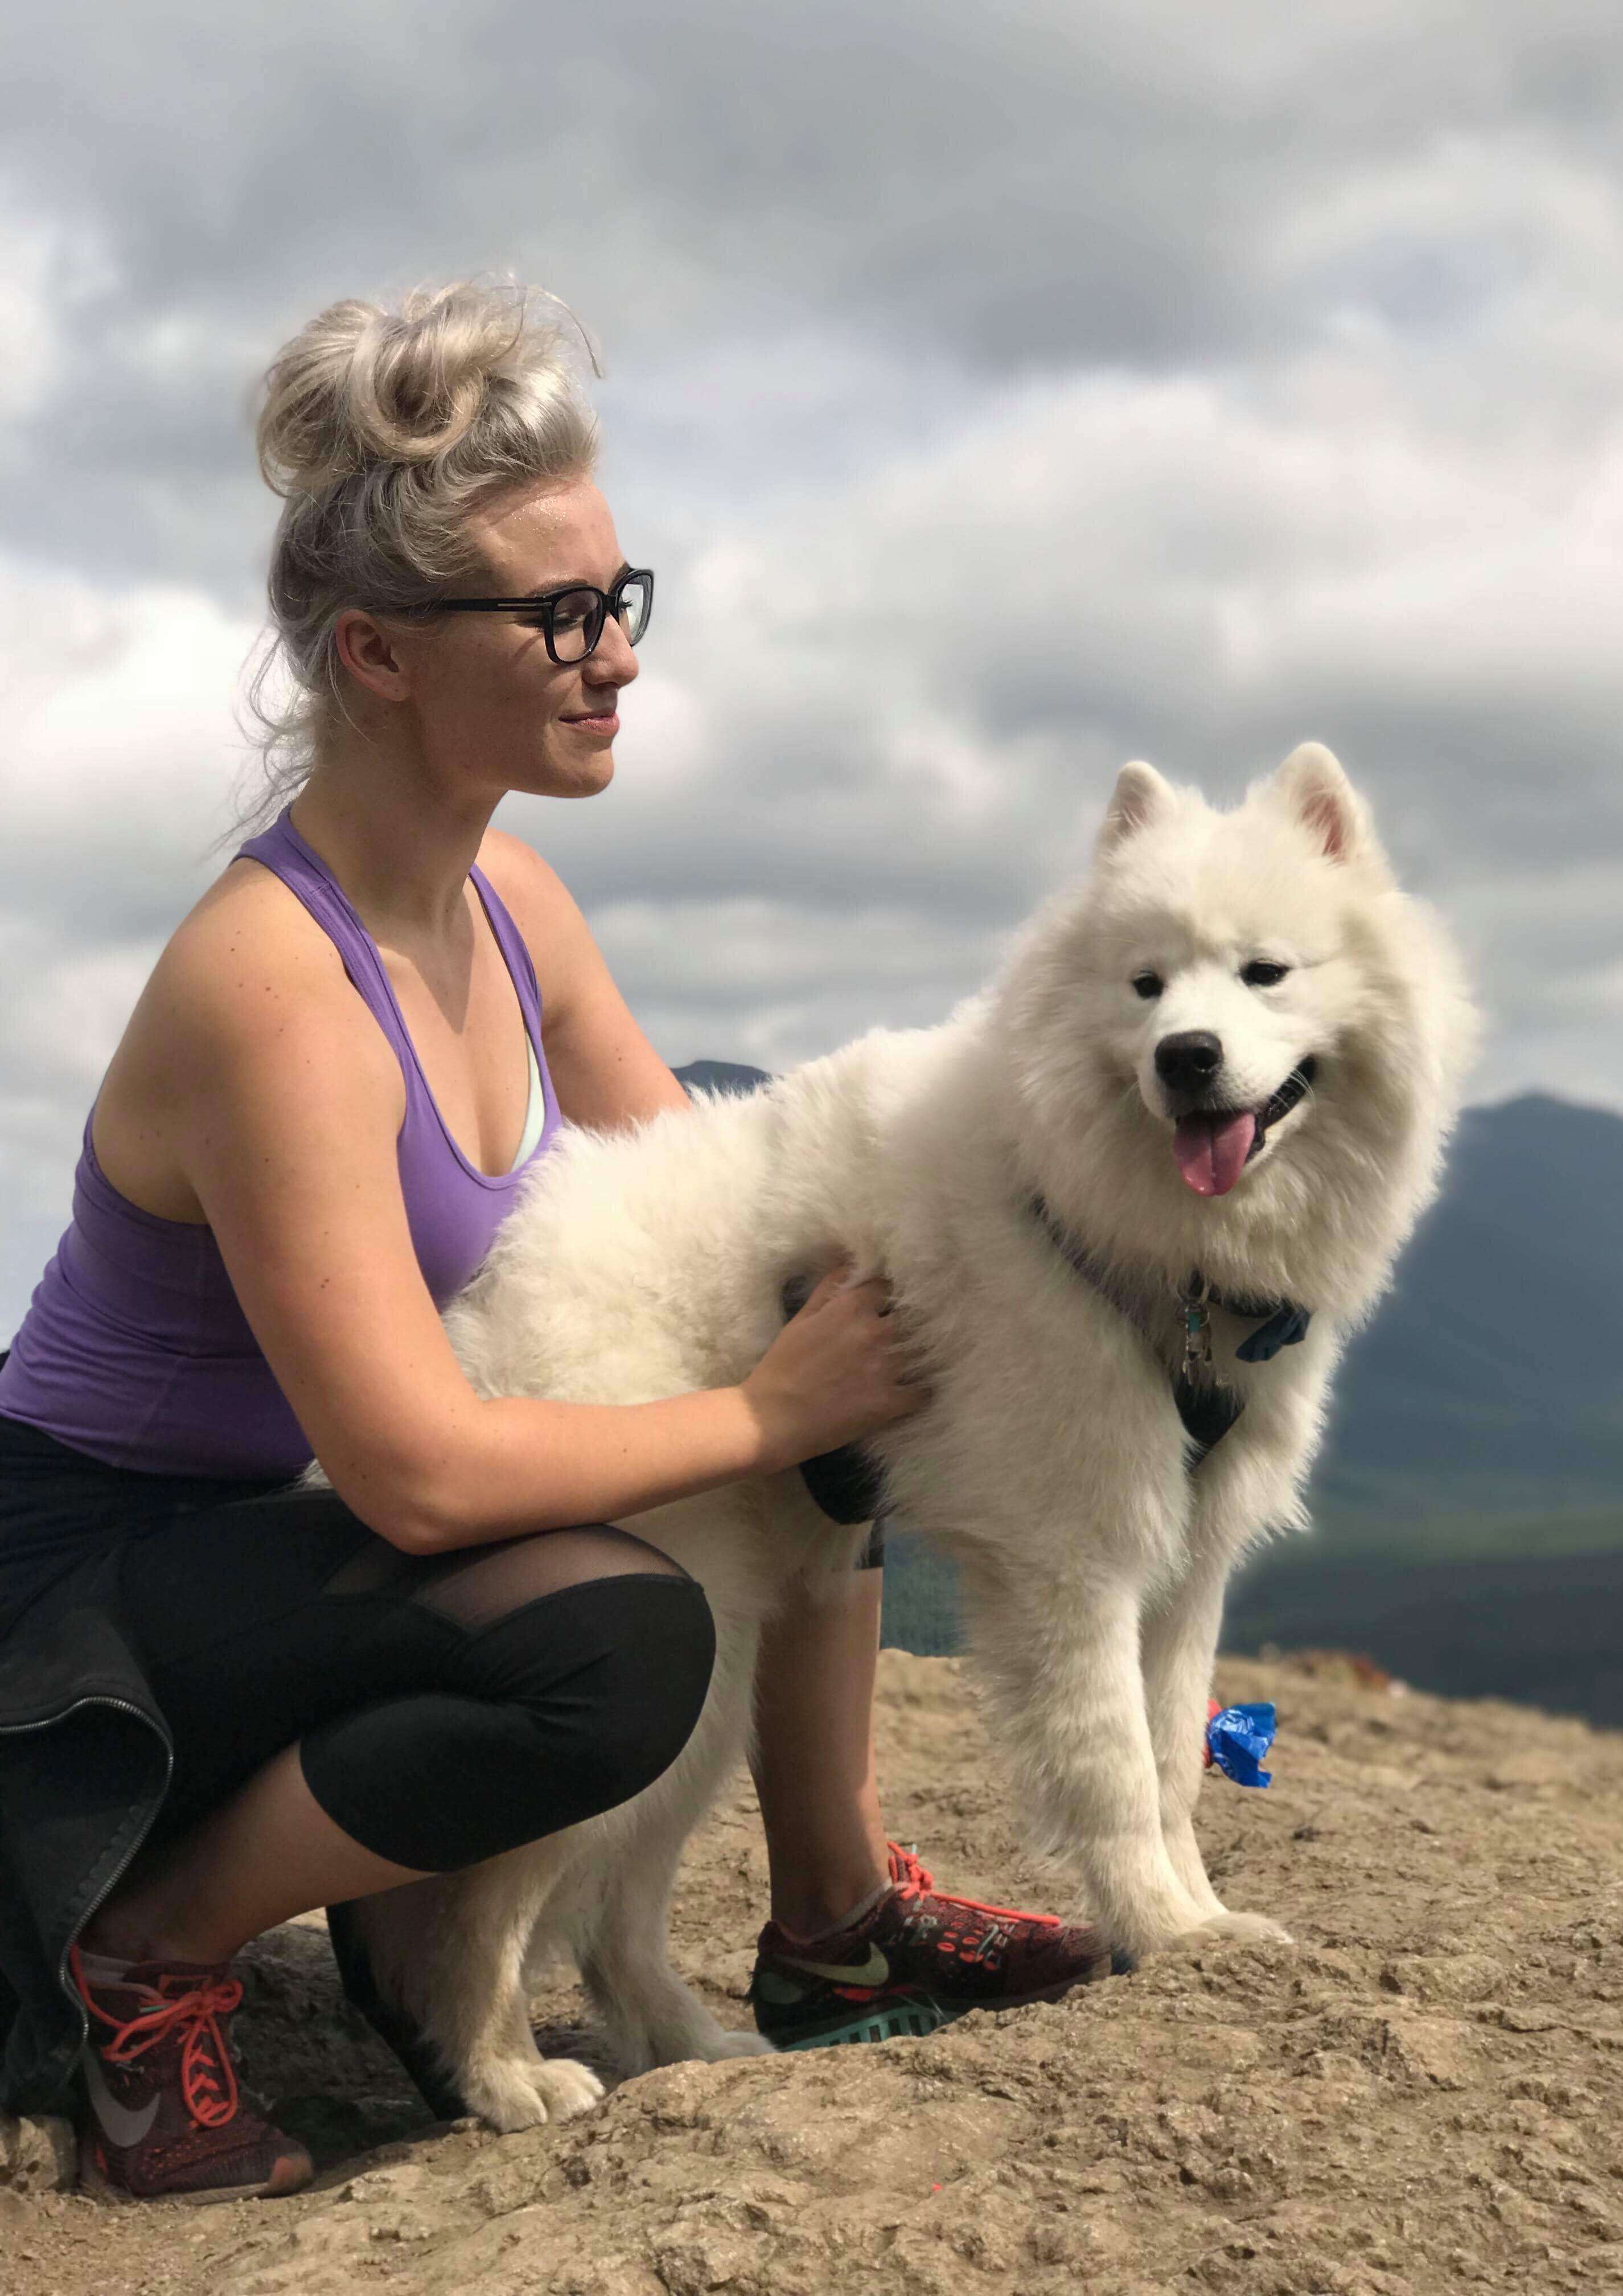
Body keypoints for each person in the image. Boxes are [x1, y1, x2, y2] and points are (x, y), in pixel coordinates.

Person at [0, 281, 1106, 2207]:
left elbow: (730, 1198)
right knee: (612, 1639)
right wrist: (771, 1413)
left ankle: (830, 1915)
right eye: (557, 615)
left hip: (272, 1557)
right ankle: (149, 1945)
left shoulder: (513, 903)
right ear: (379, 655)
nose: (613, 658)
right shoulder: (274, 990)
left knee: (783, 1211)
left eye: (620, 600)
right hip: (88, 1598)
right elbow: (421, 1474)